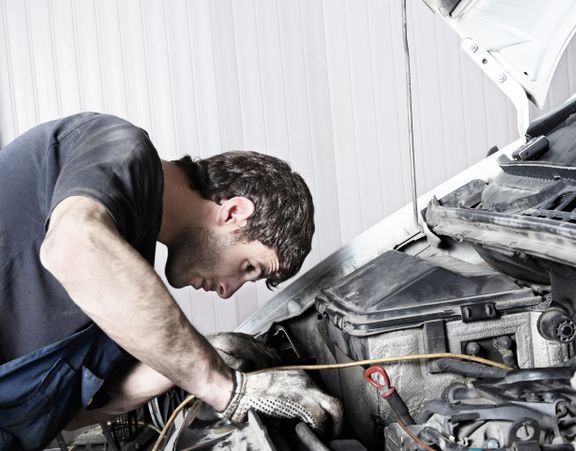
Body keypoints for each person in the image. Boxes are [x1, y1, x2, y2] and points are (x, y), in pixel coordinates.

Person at [0, 112, 342, 450]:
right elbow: (73, 247)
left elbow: (67, 412)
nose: (227, 292)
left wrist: (192, 359)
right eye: (250, 267)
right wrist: (225, 388)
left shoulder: (123, 269)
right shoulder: (122, 147)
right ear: (234, 212)